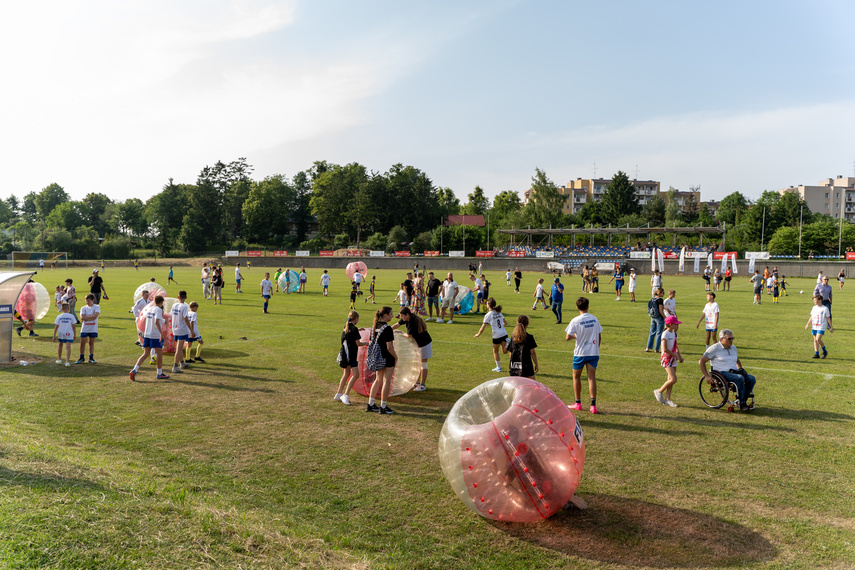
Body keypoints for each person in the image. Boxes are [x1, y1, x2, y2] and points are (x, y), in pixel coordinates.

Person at [699, 329, 756, 411]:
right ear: (721, 339)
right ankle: (742, 403)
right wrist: (707, 376)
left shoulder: (733, 348)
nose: (731, 340)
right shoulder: (714, 348)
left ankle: (742, 399)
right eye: (729, 339)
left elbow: (737, 360)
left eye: (732, 338)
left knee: (751, 378)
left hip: (734, 372)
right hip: (721, 373)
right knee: (739, 378)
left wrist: (740, 368)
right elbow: (701, 361)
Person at [565, 297, 602, 414]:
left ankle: (578, 403)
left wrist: (575, 336)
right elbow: (599, 336)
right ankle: (593, 406)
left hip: (580, 353)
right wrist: (596, 348)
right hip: (593, 352)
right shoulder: (594, 319)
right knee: (591, 378)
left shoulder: (575, 320)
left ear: (577, 308)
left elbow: (567, 337)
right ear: (588, 307)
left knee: (576, 377)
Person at [130, 295, 169, 381]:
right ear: (161, 302)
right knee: (159, 354)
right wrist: (161, 333)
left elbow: (144, 320)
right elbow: (156, 321)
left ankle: (134, 370)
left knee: (145, 354)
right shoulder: (159, 310)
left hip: (147, 334)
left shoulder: (150, 309)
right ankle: (159, 373)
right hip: (155, 335)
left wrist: (160, 321)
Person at [367, 306, 397, 414]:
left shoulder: (374, 326)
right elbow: (389, 347)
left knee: (377, 380)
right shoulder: (387, 328)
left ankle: (370, 404)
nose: (392, 316)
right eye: (391, 314)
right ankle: (383, 406)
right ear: (385, 315)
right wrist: (396, 357)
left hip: (377, 358)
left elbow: (370, 342)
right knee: (386, 381)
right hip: (387, 358)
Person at [393, 307, 432, 391]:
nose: (401, 318)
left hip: (424, 344)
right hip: (418, 344)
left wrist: (401, 333)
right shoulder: (407, 319)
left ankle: (422, 385)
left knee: (423, 364)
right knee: (417, 363)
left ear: (407, 314)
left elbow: (409, 336)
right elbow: (397, 324)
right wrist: (388, 329)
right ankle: (416, 383)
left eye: (402, 316)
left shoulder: (412, 322)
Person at [334, 310, 368, 405]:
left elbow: (351, 334)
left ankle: (339, 393)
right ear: (356, 319)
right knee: (356, 375)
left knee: (346, 374)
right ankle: (345, 395)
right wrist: (366, 343)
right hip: (351, 355)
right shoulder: (354, 329)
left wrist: (358, 330)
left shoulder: (346, 326)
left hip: (344, 354)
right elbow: (358, 343)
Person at [654, 316, 683, 407]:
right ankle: (659, 391)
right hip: (666, 358)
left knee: (670, 380)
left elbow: (675, 346)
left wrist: (679, 356)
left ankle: (667, 399)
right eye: (676, 324)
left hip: (673, 358)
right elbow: (665, 349)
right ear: (670, 324)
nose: (677, 325)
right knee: (673, 379)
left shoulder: (674, 334)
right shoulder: (665, 334)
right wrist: (674, 355)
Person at [474, 298, 508, 372]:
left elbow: (483, 327)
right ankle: (509, 344)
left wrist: (478, 334)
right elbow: (505, 323)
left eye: (487, 304)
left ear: (489, 305)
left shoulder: (488, 315)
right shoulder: (499, 312)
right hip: (504, 334)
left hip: (497, 335)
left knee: (495, 351)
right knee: (504, 351)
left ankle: (498, 367)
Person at [503, 315, 538, 380]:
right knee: (531, 384)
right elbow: (532, 352)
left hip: (515, 365)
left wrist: (512, 361)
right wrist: (536, 364)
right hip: (526, 364)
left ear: (517, 323)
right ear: (527, 324)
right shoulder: (529, 337)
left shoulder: (513, 337)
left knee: (516, 384)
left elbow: (511, 352)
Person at [170, 290, 193, 373]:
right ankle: (175, 366)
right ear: (186, 297)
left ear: (178, 297)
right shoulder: (184, 307)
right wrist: (191, 330)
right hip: (182, 330)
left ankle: (182, 363)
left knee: (178, 347)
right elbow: (186, 319)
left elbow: (171, 315)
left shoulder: (174, 305)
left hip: (175, 329)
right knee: (179, 349)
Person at [806, 294, 833, 359]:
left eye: (815, 300)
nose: (814, 301)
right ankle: (816, 354)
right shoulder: (814, 308)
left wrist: (831, 327)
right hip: (814, 326)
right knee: (815, 340)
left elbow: (828, 318)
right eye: (814, 300)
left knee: (818, 339)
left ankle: (824, 351)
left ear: (820, 300)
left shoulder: (825, 308)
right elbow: (811, 316)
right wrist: (808, 324)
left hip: (821, 326)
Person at [75, 293, 100, 364]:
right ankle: (81, 357)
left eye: (88, 301)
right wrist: (89, 318)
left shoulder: (97, 307)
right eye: (86, 300)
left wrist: (86, 318)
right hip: (84, 328)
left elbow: (95, 316)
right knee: (82, 343)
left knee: (91, 343)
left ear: (92, 300)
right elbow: (82, 317)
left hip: (93, 328)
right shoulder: (83, 308)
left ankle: (91, 358)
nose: (87, 302)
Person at [53, 302, 76, 367]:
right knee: (68, 347)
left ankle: (59, 359)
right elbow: (74, 326)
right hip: (69, 333)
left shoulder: (59, 316)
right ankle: (67, 361)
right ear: (69, 309)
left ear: (61, 309)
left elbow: (56, 327)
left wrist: (54, 335)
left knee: (60, 345)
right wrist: (74, 334)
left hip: (61, 333)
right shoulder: (71, 316)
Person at [645, 288, 666, 353]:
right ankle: (656, 349)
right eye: (663, 292)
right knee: (659, 333)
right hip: (659, 318)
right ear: (659, 293)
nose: (664, 294)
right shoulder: (660, 300)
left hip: (653, 317)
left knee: (652, 332)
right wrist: (665, 317)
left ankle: (648, 347)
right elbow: (661, 311)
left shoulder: (653, 299)